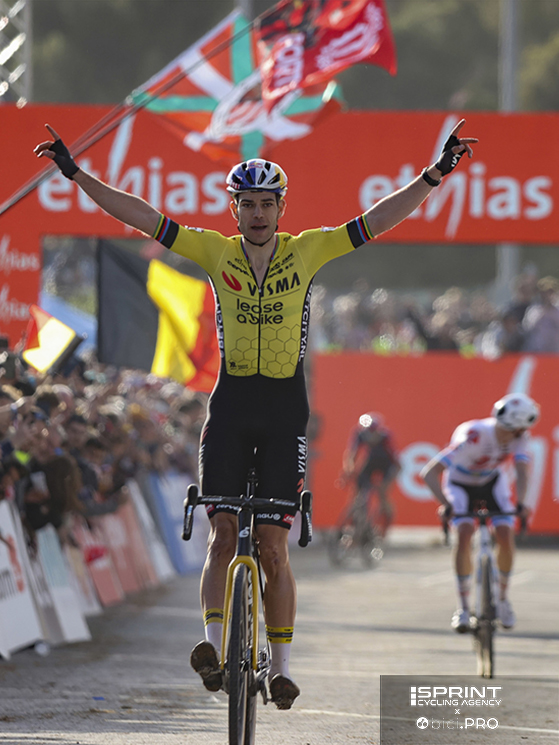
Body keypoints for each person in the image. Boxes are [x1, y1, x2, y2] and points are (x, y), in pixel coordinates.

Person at [35, 119, 478, 709]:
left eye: (268, 204)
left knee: (272, 545)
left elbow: (378, 219)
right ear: (235, 209)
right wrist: (76, 174)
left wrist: (434, 174)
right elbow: (140, 215)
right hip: (231, 403)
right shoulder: (214, 251)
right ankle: (213, 645)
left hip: (284, 409)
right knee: (222, 535)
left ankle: (282, 668)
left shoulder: (308, 249)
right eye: (248, 204)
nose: (259, 213)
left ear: (281, 208)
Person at [420, 393, 539, 633]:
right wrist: (446, 504)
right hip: (459, 484)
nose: (520, 435)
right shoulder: (473, 435)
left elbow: (522, 471)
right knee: (464, 533)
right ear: (515, 427)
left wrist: (521, 503)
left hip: (491, 482)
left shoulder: (520, 438)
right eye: (519, 430)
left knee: (504, 533)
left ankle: (502, 599)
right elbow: (429, 472)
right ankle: (463, 607)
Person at [341, 412, 400, 539]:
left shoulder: (385, 437)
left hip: (387, 465)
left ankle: (385, 522)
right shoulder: (360, 434)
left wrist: (385, 484)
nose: (371, 437)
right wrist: (349, 470)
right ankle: (357, 525)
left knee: (382, 493)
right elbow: (351, 454)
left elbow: (397, 464)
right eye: (368, 432)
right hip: (371, 463)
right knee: (358, 494)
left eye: (373, 433)